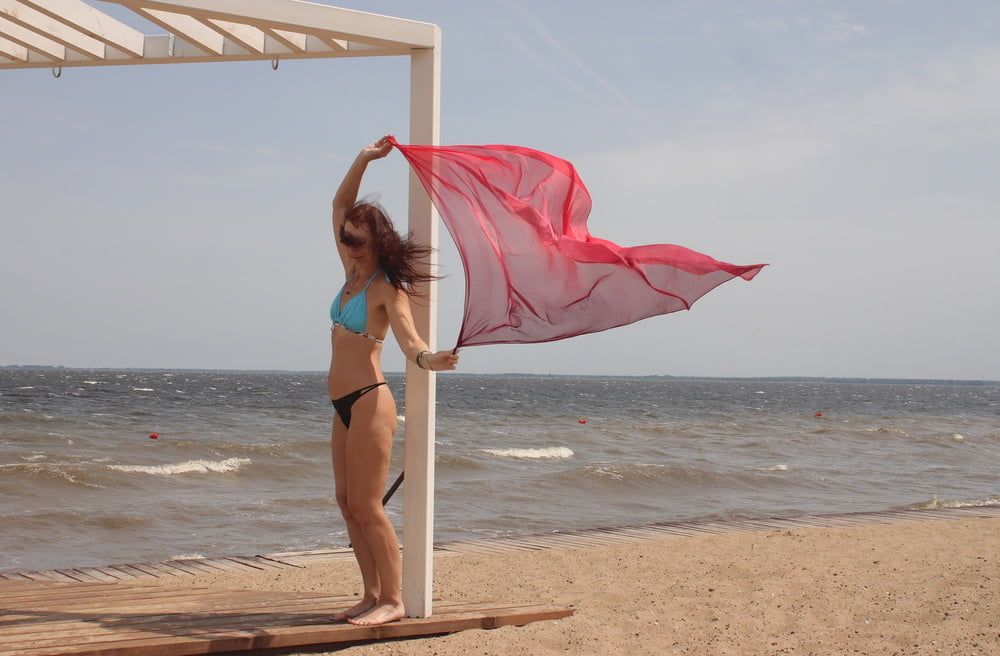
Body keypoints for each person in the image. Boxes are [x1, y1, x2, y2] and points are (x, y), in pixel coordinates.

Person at [327, 136, 459, 627]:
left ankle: (394, 600)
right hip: (340, 401)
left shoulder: (385, 288)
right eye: (345, 238)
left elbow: (409, 342)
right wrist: (362, 158)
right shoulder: (349, 275)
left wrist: (431, 359)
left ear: (377, 242)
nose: (348, 245)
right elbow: (340, 203)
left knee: (367, 504)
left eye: (357, 240)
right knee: (346, 503)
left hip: (369, 401)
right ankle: (369, 594)